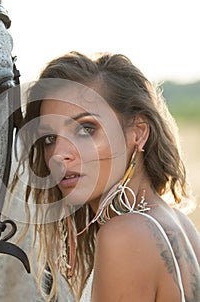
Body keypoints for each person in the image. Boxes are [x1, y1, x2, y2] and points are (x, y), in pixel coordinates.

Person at [13, 51, 200, 302]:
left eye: (85, 129)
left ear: (138, 133)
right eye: (49, 138)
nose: (58, 154)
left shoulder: (125, 234)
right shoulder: (178, 223)